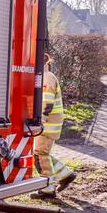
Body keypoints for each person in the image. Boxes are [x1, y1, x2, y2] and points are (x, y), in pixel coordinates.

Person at [31, 53, 76, 199]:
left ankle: (47, 190)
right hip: (51, 123)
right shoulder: (47, 76)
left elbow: (47, 104)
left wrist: (40, 122)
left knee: (39, 154)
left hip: (48, 124)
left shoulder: (47, 77)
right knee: (42, 153)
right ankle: (65, 175)